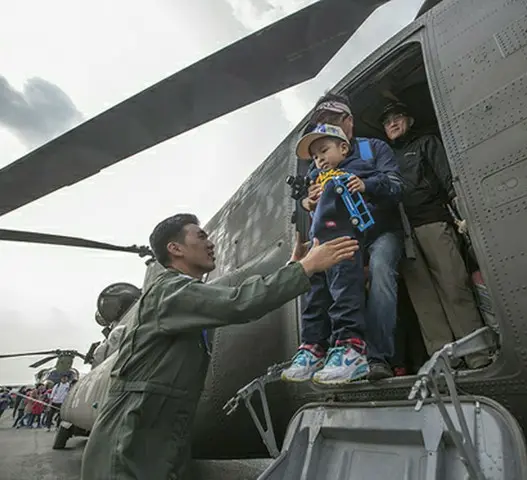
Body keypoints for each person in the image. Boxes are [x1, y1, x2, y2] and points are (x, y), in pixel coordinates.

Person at [80, 213, 359, 480]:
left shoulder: (180, 293)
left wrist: (292, 268)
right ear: (175, 248)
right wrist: (306, 268)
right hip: (129, 444)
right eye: (201, 236)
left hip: (154, 438)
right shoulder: (168, 291)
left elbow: (228, 300)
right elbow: (236, 303)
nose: (211, 243)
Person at [299, 94, 404, 380]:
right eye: (320, 124)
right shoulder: (315, 167)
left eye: (331, 122)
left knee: (381, 270)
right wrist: (308, 203)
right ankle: (327, 349)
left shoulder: (374, 149)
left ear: (348, 122)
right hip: (345, 237)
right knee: (324, 281)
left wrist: (365, 185)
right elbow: (313, 208)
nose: (324, 129)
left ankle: (377, 358)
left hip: (380, 232)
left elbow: (396, 187)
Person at [380, 101, 489, 369]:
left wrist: (461, 210)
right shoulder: (383, 159)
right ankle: (445, 362)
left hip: (432, 222)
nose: (392, 124)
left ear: (410, 121)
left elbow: (447, 178)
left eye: (397, 118)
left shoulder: (427, 143)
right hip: (403, 233)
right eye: (387, 122)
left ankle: (477, 355)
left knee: (454, 286)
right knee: (423, 299)